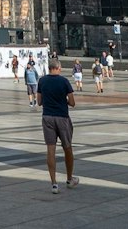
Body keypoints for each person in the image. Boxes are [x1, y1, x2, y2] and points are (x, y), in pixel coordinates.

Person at [36, 59, 78, 193]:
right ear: (58, 68)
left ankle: (54, 183)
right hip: (62, 117)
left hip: (47, 117)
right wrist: (63, 100)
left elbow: (39, 102)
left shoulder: (42, 81)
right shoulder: (64, 81)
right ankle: (69, 179)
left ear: (49, 68)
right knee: (67, 147)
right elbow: (72, 102)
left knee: (50, 150)